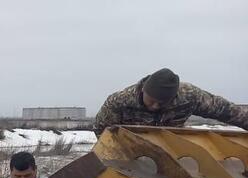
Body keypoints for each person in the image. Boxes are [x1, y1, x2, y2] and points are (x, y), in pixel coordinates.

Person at [93, 68, 248, 135]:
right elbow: (102, 129)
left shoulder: (189, 96)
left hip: (172, 146)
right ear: (144, 90)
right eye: (152, 101)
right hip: (131, 147)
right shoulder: (119, 101)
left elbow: (226, 110)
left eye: (162, 103)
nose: (155, 106)